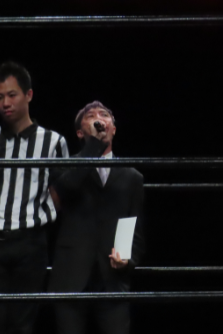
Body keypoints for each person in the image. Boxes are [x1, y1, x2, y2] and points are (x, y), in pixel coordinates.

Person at [0, 61, 69, 334]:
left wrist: (35, 216)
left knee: (23, 324)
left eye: (11, 95)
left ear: (28, 95)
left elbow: (60, 192)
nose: (5, 103)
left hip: (31, 242)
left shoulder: (53, 142)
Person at [48, 101, 144, 334]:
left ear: (113, 129)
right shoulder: (65, 166)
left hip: (112, 279)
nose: (99, 119)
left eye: (104, 115)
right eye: (91, 116)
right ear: (80, 132)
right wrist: (94, 146)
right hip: (71, 276)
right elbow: (67, 188)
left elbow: (137, 229)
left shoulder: (132, 177)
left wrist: (128, 261)